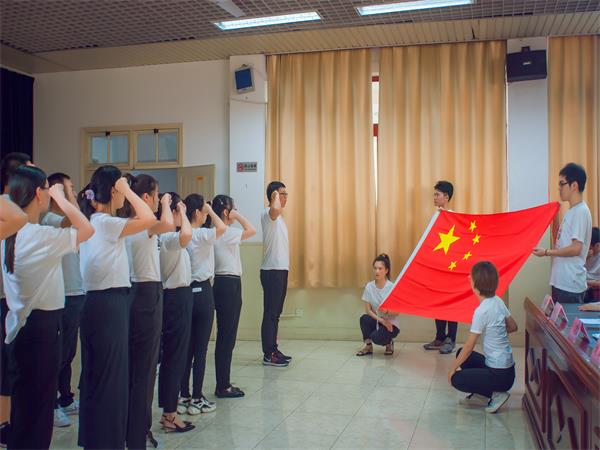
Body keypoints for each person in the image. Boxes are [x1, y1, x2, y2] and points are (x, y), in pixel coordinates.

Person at [2, 165, 94, 448]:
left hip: (22, 327)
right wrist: (62, 198)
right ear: (39, 194)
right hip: (40, 330)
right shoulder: (36, 235)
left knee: (26, 410)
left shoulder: (13, 234)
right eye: (47, 189)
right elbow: (86, 228)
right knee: (38, 413)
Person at [78, 166, 156, 449]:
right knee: (111, 379)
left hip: (99, 303)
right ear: (113, 190)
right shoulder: (104, 222)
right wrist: (126, 190)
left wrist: (121, 188)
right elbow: (148, 217)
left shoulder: (95, 221)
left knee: (97, 376)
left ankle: (96, 441)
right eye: (121, 188)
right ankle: (107, 442)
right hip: (109, 304)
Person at [121, 174, 175, 448]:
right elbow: (169, 223)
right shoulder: (142, 224)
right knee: (145, 368)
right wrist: (166, 204)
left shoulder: (127, 224)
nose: (158, 200)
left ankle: (134, 429)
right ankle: (139, 432)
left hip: (135, 294)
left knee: (136, 368)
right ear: (146, 197)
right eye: (156, 195)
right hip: (146, 294)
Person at [41, 172, 85, 428]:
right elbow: (74, 218)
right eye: (70, 188)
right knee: (58, 354)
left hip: (76, 291)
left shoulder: (65, 218)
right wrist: (66, 196)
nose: (74, 192)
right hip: (63, 294)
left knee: (68, 352)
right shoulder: (49, 220)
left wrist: (68, 196)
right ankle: (52, 404)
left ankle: (66, 397)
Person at [448, 261, 518, 414]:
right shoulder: (498, 301)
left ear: (476, 284)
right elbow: (513, 326)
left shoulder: (482, 311)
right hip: (508, 371)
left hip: (500, 375)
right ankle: (481, 393)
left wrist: (452, 369)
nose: (469, 278)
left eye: (471, 277)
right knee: (460, 354)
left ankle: (496, 394)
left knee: (456, 379)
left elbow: (469, 347)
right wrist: (497, 331)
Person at [178, 194, 225, 415]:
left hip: (187, 292)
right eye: (203, 210)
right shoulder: (203, 234)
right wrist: (211, 210)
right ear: (197, 212)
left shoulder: (183, 234)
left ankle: (183, 395)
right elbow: (222, 227)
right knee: (200, 348)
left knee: (186, 348)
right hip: (203, 292)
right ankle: (197, 397)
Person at [0, 152, 33, 446]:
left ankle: (8, 422)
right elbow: (18, 218)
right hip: (5, 298)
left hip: (12, 299)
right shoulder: (9, 208)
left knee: (10, 368)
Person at [157, 193, 195, 433]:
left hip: (178, 296)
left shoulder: (166, 237)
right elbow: (187, 234)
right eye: (178, 210)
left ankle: (168, 411)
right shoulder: (168, 237)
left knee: (175, 356)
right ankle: (170, 414)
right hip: (175, 297)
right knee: (174, 357)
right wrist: (180, 210)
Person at [212, 195, 256, 398]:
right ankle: (223, 385)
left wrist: (233, 213)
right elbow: (252, 230)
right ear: (226, 212)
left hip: (224, 283)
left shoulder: (215, 231)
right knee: (227, 337)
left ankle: (224, 381)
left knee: (226, 336)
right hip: (228, 283)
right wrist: (237, 215)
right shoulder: (226, 232)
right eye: (233, 209)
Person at [533, 163, 592, 304]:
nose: (559, 188)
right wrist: (555, 219)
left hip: (570, 284)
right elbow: (560, 242)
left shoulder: (580, 212)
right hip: (562, 282)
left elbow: (576, 249)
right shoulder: (572, 211)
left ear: (574, 185)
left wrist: (546, 252)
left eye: (562, 183)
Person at [424, 180, 458, 354]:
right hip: (437, 268)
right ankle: (439, 337)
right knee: (438, 302)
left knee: (451, 304)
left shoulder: (452, 217)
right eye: (434, 194)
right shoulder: (435, 216)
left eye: (437, 195)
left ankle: (451, 339)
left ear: (446, 196)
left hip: (450, 269)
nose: (434, 198)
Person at [260, 181, 292, 367]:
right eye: (282, 194)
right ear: (273, 196)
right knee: (270, 314)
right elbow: (274, 209)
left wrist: (277, 197)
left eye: (286, 194)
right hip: (272, 271)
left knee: (276, 314)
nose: (285, 197)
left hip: (280, 270)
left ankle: (273, 348)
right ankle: (268, 354)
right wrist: (274, 198)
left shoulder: (280, 219)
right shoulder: (268, 214)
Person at [356, 254, 399, 356]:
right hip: (379, 320)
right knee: (364, 319)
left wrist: (387, 312)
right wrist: (382, 321)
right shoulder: (369, 286)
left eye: (380, 268)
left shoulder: (392, 287)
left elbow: (397, 312)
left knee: (376, 338)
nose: (377, 271)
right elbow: (368, 310)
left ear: (386, 270)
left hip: (391, 324)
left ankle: (389, 343)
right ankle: (368, 346)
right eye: (375, 268)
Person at [584, 227, 600, 302]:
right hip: (581, 287)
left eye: (588, 245)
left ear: (597, 245)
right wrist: (584, 258)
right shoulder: (585, 253)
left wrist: (585, 282)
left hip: (593, 291)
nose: (586, 247)